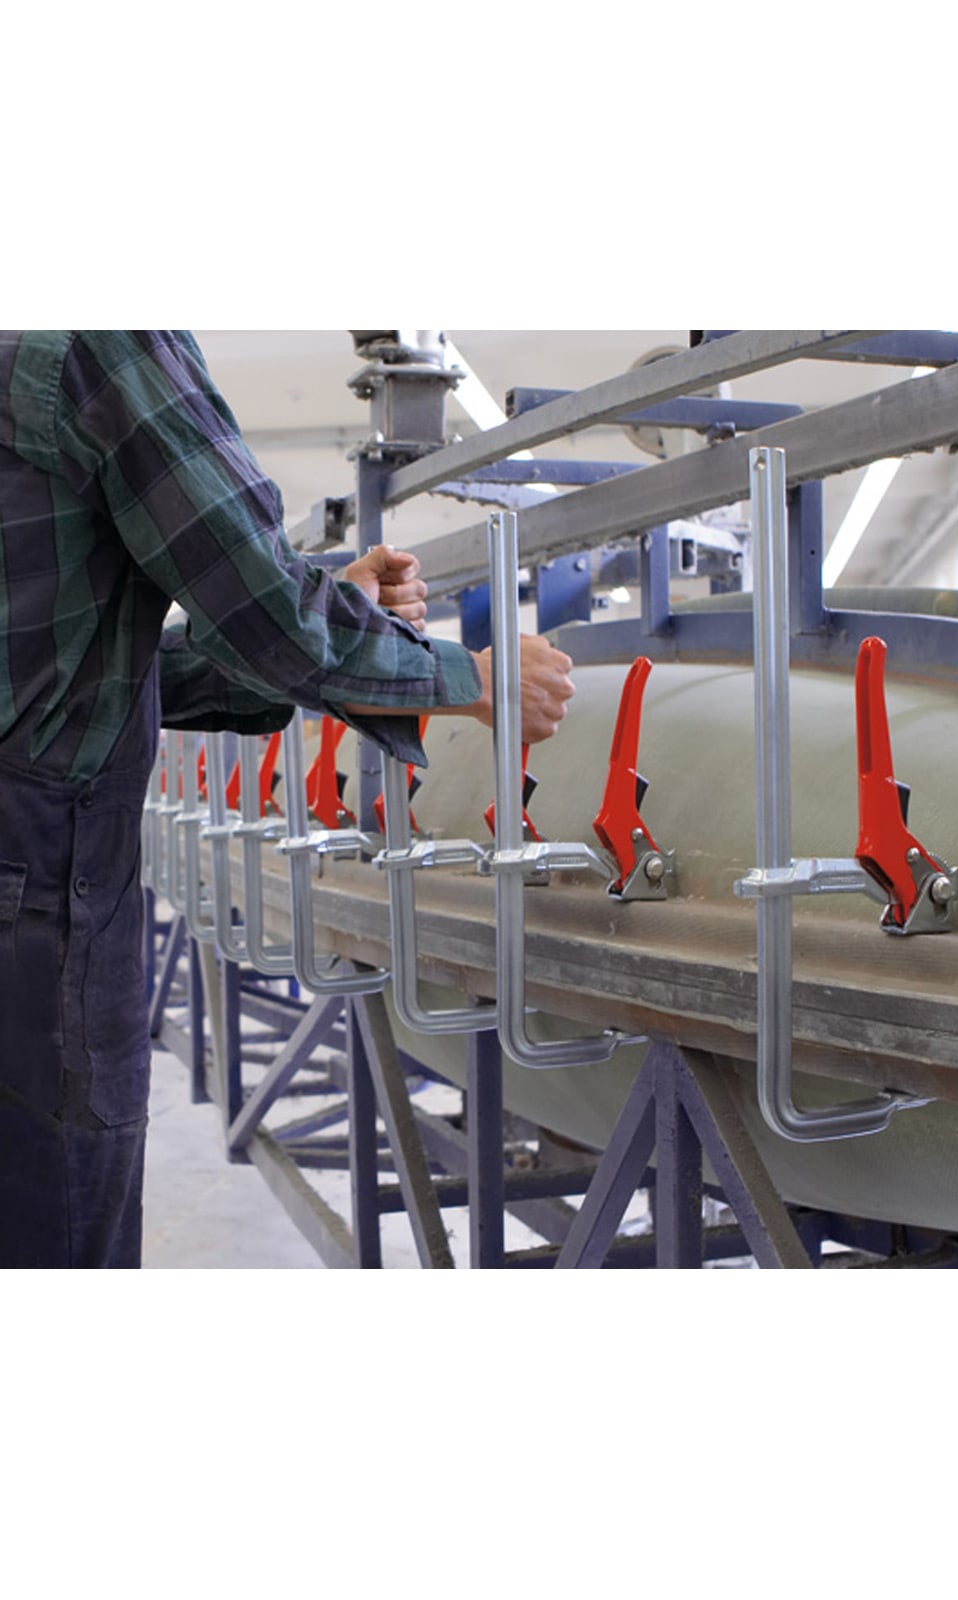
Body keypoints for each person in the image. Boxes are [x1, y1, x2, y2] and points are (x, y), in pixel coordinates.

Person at [0, 329, 574, 1268]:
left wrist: (334, 629)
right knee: (54, 1237)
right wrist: (472, 679)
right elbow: (265, 610)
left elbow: (84, 675)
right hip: (35, 893)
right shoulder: (99, 337)